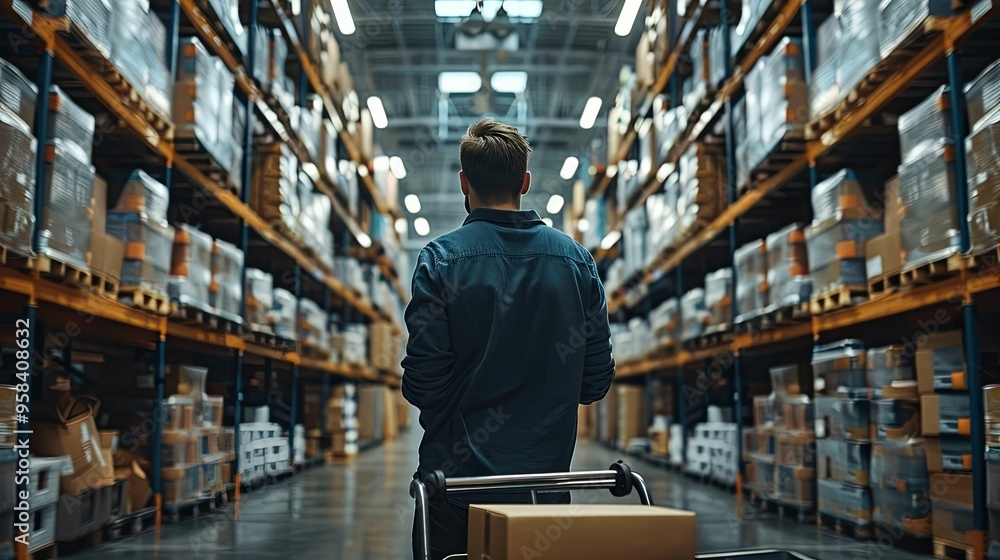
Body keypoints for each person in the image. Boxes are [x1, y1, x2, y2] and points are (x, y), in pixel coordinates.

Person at [401, 117, 616, 559]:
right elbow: (594, 382)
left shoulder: (441, 261)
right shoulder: (576, 262)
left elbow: (422, 382)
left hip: (456, 490)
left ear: (464, 183)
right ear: (525, 180)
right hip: (546, 493)